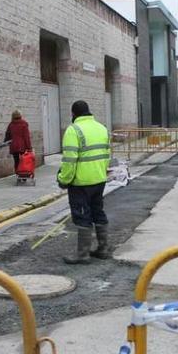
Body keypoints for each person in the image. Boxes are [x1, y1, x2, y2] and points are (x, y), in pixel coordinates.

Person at [57, 100, 111, 264]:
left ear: (73, 114)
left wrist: (63, 179)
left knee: (82, 216)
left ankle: (83, 254)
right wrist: (101, 171)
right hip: (99, 179)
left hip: (80, 183)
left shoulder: (73, 130)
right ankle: (103, 248)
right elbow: (106, 154)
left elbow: (69, 160)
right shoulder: (102, 128)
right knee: (98, 212)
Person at [4, 109, 32, 176]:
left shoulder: (11, 124)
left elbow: (7, 134)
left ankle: (18, 174)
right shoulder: (24, 124)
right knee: (23, 161)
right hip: (22, 146)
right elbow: (26, 137)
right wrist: (29, 147)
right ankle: (24, 174)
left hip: (13, 146)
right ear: (20, 115)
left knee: (16, 161)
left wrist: (5, 142)